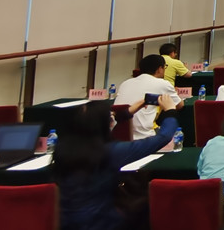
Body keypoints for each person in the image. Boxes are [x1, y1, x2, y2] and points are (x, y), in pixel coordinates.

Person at [54, 96, 178, 230]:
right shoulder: (110, 151)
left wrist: (127, 112)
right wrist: (170, 111)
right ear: (104, 124)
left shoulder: (62, 149)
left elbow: (101, 121)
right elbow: (163, 137)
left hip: (66, 223)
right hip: (101, 223)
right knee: (143, 205)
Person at [113, 54, 183, 139]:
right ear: (160, 69)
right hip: (144, 136)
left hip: (117, 134)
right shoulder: (162, 83)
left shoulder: (125, 83)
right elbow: (179, 105)